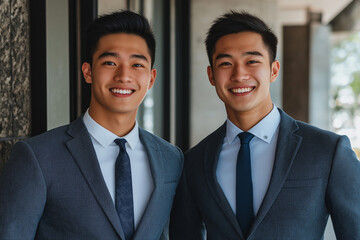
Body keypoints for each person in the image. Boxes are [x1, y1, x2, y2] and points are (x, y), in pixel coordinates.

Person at [170, 10, 360, 240]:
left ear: (273, 70)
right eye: (226, 63)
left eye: (252, 61)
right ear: (211, 75)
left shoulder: (327, 150)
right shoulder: (194, 163)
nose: (239, 74)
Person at [0, 10, 183, 240]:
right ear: (88, 72)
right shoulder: (37, 157)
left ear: (151, 79)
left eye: (137, 65)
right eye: (110, 62)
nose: (124, 75)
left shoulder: (170, 158)